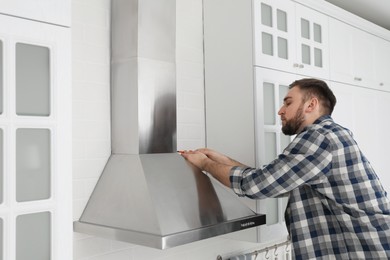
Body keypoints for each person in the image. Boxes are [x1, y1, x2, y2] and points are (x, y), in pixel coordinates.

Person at [180, 78, 390, 259]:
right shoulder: (331, 134)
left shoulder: (318, 137)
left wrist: (205, 164)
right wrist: (222, 159)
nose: (280, 110)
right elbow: (274, 180)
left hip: (364, 250)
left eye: (288, 103)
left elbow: (256, 186)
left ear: (311, 105)